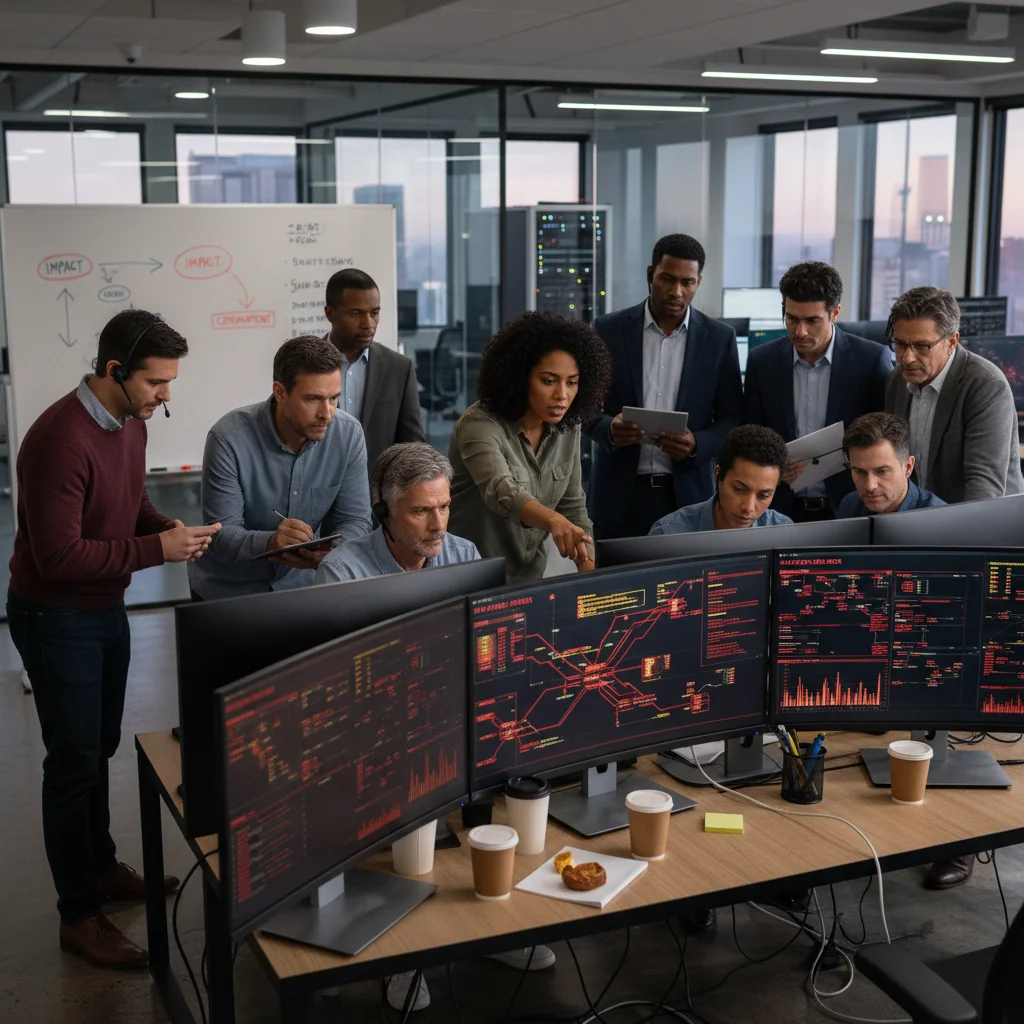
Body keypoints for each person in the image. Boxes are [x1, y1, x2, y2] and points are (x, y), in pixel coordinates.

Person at [7, 309, 221, 968]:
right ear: (114, 372)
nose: (165, 396)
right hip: (55, 616)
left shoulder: (128, 423)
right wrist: (157, 549)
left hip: (102, 610)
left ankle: (99, 868)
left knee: (97, 747)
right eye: (157, 383)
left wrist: (169, 527)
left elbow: (129, 510)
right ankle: (78, 915)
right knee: (71, 765)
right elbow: (59, 557)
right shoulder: (58, 440)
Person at [585, 233, 744, 539]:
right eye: (667, 280)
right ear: (650, 275)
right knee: (616, 587)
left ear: (698, 282)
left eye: (687, 283)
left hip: (688, 499)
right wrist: (608, 429)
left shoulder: (719, 339)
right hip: (619, 499)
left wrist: (697, 444)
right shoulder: (608, 330)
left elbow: (732, 420)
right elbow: (582, 407)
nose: (676, 292)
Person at [188, 336, 371, 600]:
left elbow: (355, 521)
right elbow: (222, 535)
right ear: (280, 392)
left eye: (334, 398)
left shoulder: (348, 434)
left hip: (304, 586)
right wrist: (271, 542)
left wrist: (333, 552)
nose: (327, 413)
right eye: (313, 399)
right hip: (228, 591)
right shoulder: (228, 438)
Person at [448, 311, 611, 584]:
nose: (562, 394)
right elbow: (501, 491)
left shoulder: (567, 427)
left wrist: (591, 579)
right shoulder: (479, 423)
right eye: (549, 381)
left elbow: (573, 506)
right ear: (520, 377)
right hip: (469, 581)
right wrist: (552, 520)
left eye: (572, 382)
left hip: (529, 580)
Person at [744, 262, 893, 521]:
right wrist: (774, 464)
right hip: (778, 508)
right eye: (791, 318)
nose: (800, 331)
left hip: (848, 507)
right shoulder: (762, 362)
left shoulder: (870, 360)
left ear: (835, 313)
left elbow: (886, 439)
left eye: (812, 320)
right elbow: (749, 435)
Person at [885, 286, 1024, 504]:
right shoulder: (896, 380)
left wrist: (963, 534)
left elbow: (984, 485)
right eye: (901, 344)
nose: (908, 358)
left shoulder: (985, 384)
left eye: (922, 346)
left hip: (977, 523)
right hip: (920, 520)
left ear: (951, 342)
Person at [316, 442, 480, 583]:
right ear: (383, 512)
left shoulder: (465, 555)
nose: (438, 526)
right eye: (421, 511)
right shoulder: (342, 573)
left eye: (444, 507)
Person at [323, 268, 424, 473]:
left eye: (374, 313)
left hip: (376, 495)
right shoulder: (304, 364)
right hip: (315, 491)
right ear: (330, 314)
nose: (368, 324)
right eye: (356, 313)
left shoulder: (399, 368)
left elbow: (412, 448)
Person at [648, 425, 792, 535]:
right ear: (717, 476)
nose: (748, 508)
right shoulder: (669, 534)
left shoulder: (784, 533)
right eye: (739, 490)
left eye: (763, 496)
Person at [837, 413, 945, 517]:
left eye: (882, 471)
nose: (870, 486)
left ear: (908, 467)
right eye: (860, 472)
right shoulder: (849, 505)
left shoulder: (941, 521)